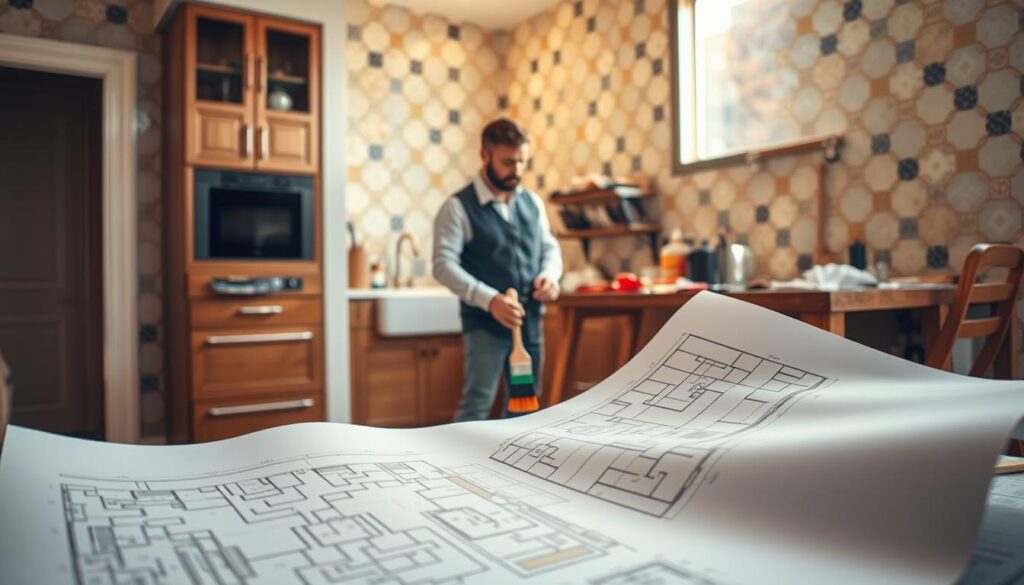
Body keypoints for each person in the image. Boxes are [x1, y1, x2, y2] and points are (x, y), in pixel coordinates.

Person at [432, 118, 563, 421]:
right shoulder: (457, 207)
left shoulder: (532, 201)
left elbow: (550, 248)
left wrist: (550, 276)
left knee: (526, 404)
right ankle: (459, 468)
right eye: (508, 162)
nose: (516, 170)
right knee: (477, 403)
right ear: (484, 156)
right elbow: (443, 265)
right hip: (484, 327)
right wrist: (489, 300)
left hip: (529, 323)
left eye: (522, 162)